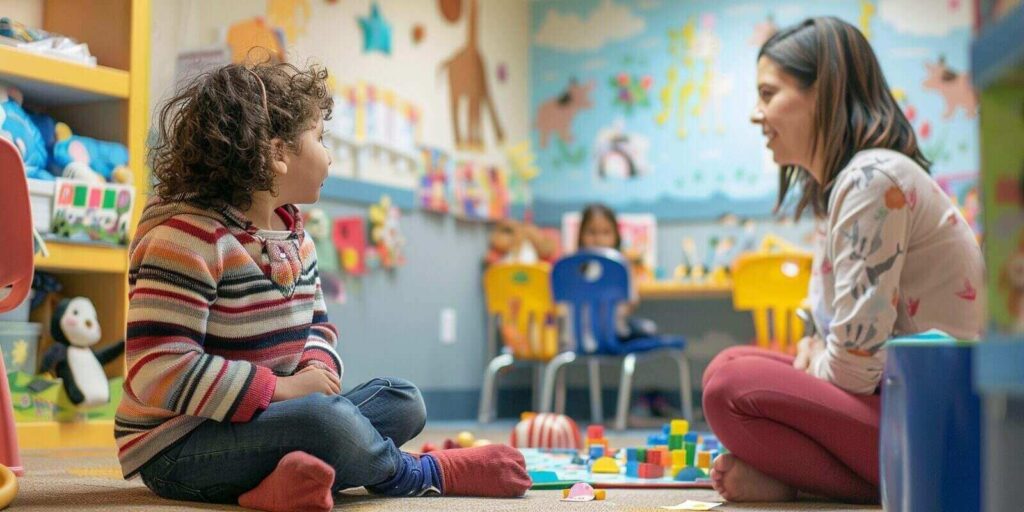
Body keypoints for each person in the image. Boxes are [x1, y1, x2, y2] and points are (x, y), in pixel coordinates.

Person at [115, 61, 529, 512]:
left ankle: (274, 487)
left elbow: (318, 329)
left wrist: (317, 371)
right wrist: (285, 391)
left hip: (271, 418)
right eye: (319, 137)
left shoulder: (297, 238)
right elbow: (160, 370)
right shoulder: (186, 240)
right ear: (276, 154)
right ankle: (415, 474)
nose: (329, 155)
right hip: (182, 444)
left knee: (402, 401)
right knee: (325, 422)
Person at [702, 17, 983, 503]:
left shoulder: (873, 179)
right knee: (733, 362)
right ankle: (820, 478)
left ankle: (817, 484)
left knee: (730, 384)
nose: (756, 114)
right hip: (899, 398)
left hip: (938, 423)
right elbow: (828, 333)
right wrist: (815, 353)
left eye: (768, 94)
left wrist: (815, 361)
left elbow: (854, 370)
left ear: (823, 93)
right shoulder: (845, 185)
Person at [576, 203, 657, 340]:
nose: (599, 239)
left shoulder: (572, 267)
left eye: (605, 232)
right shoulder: (621, 267)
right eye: (592, 232)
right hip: (613, 335)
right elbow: (632, 301)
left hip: (581, 337)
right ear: (581, 235)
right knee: (648, 329)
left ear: (616, 236)